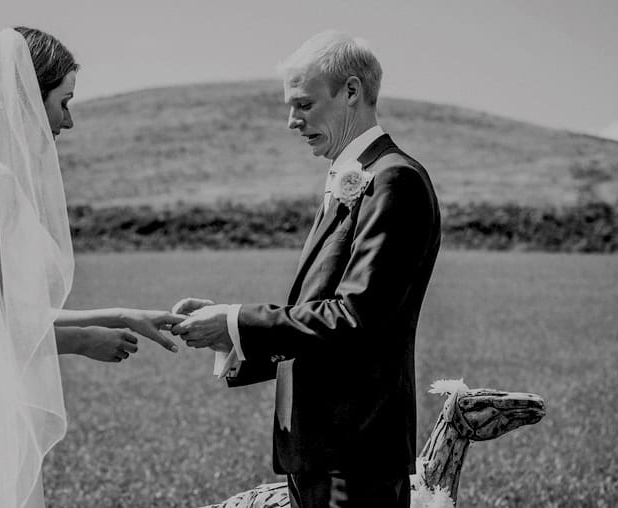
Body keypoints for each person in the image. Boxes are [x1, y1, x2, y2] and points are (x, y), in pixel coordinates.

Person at [172, 30, 441, 507]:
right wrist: (230, 334)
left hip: (354, 455)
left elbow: (356, 318)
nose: (292, 121)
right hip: (320, 450)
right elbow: (320, 315)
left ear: (352, 92)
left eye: (304, 105)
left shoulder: (393, 179)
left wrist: (238, 320)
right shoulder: (353, 178)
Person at [0, 27, 183, 508]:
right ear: (24, 97)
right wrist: (84, 340)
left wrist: (124, 316)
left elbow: (16, 318)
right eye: (63, 101)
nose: (69, 120)